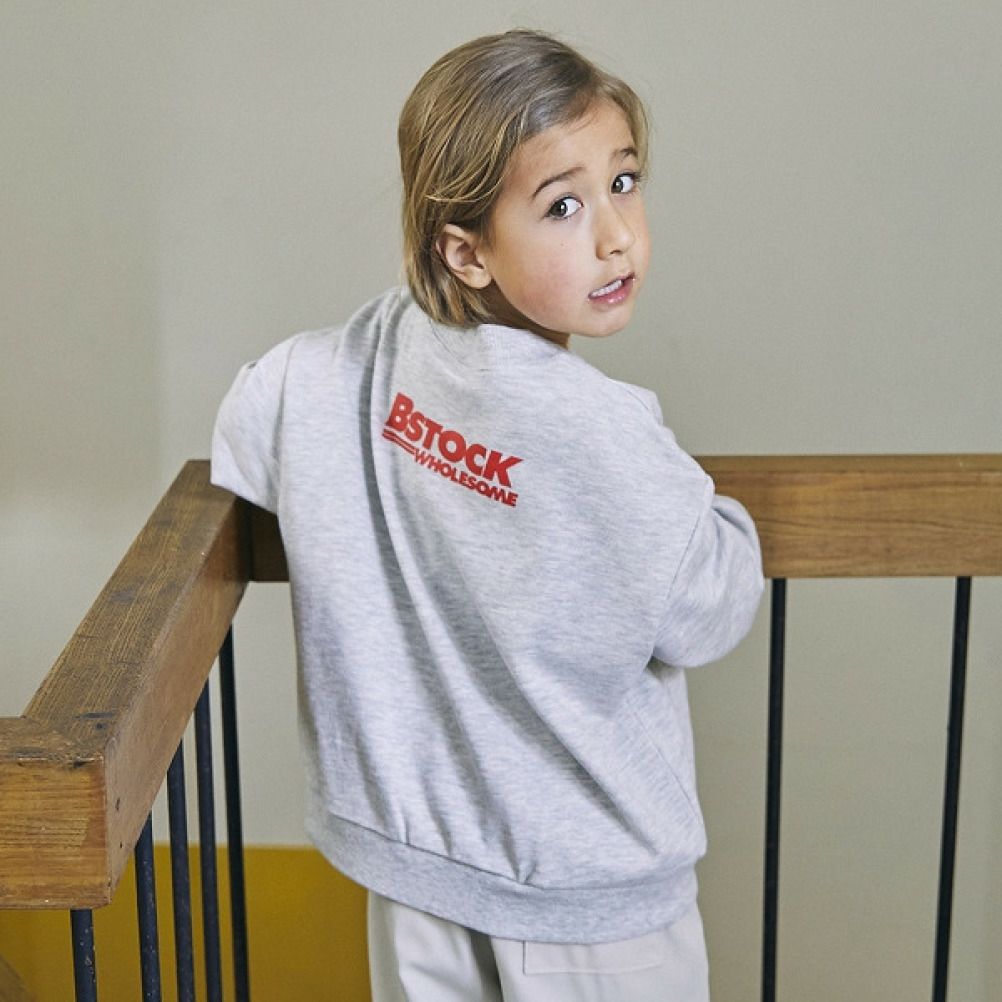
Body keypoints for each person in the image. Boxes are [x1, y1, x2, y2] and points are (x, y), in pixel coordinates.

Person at [211, 28, 764, 1002]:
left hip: (417, 880)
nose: (615, 235)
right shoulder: (602, 432)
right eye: (563, 205)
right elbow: (710, 608)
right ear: (465, 251)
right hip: (591, 904)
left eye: (624, 182)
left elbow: (252, 417)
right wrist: (716, 513)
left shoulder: (349, 363)